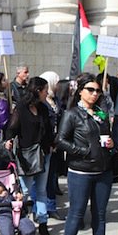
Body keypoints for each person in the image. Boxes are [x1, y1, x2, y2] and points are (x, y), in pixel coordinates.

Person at [56, 73, 114, 235]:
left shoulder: (101, 114)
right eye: (90, 90)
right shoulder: (72, 114)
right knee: (76, 213)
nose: (95, 94)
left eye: (98, 91)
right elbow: (60, 140)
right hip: (80, 171)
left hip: (103, 171)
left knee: (100, 214)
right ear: (80, 91)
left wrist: (111, 142)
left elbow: (107, 137)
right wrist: (83, 151)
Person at [3, 77, 54, 235]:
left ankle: (43, 222)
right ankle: (19, 222)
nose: (47, 92)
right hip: (26, 156)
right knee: (24, 191)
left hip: (44, 154)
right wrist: (9, 140)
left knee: (41, 191)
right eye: (45, 89)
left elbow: (49, 130)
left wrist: (52, 145)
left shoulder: (44, 109)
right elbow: (12, 128)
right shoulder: (22, 108)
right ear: (38, 90)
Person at [39, 71, 66, 221]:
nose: (58, 85)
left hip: (56, 144)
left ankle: (51, 207)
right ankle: (40, 209)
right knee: (42, 179)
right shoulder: (41, 102)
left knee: (51, 177)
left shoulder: (56, 100)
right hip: (45, 145)